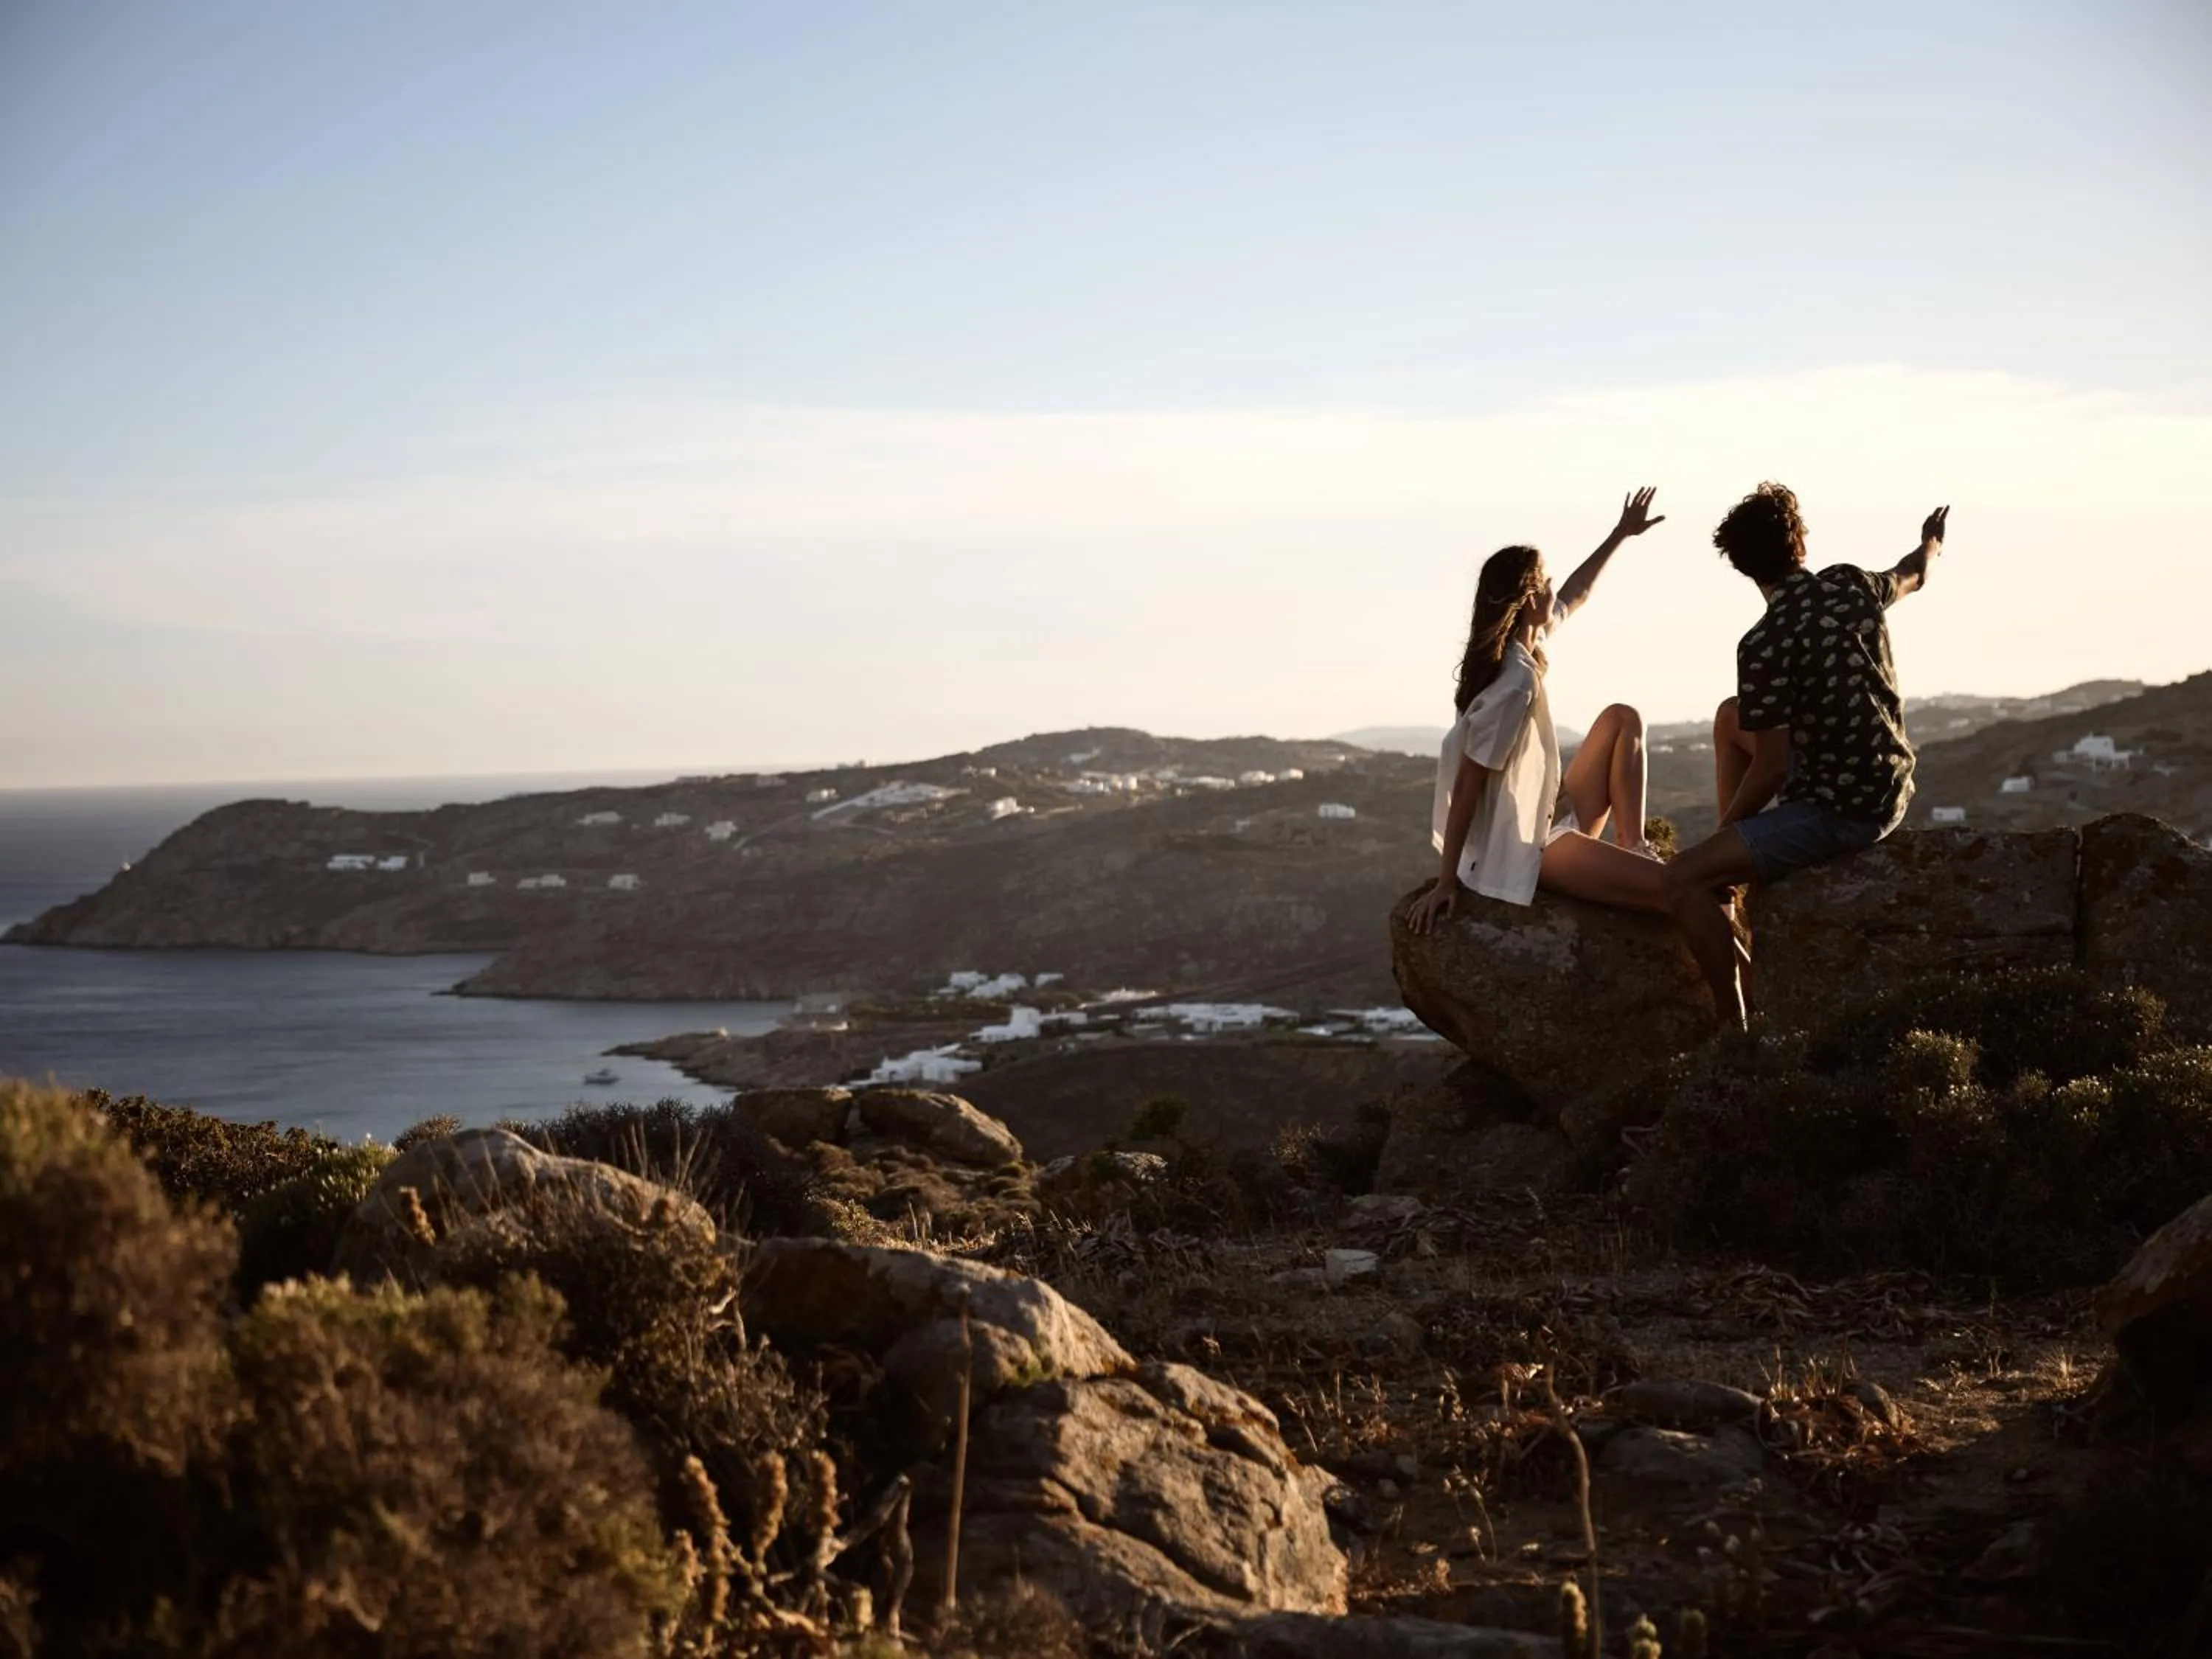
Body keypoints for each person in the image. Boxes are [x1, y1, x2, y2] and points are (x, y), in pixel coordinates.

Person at [1660, 482, 1950, 1026]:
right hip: (1890, 782)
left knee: (1680, 878)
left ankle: (1733, 1026)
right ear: (1800, 545)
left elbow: (1770, 768)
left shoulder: (1764, 642)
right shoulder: (1850, 585)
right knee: (1731, 715)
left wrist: (1725, 835)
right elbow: (1913, 572)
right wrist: (1931, 543)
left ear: (1744, 567)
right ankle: (1735, 874)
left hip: (1842, 810)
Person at [1406, 488, 1673, 935]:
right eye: (1546, 582)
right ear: (1529, 599)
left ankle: (1634, 844)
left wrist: (1621, 534)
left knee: (1622, 717)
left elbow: (1577, 594)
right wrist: (1448, 879)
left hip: (1548, 814)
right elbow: (1468, 786)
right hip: (1528, 845)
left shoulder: (1528, 644)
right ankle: (1628, 859)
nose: (1554, 588)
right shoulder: (1512, 684)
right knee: (1673, 890)